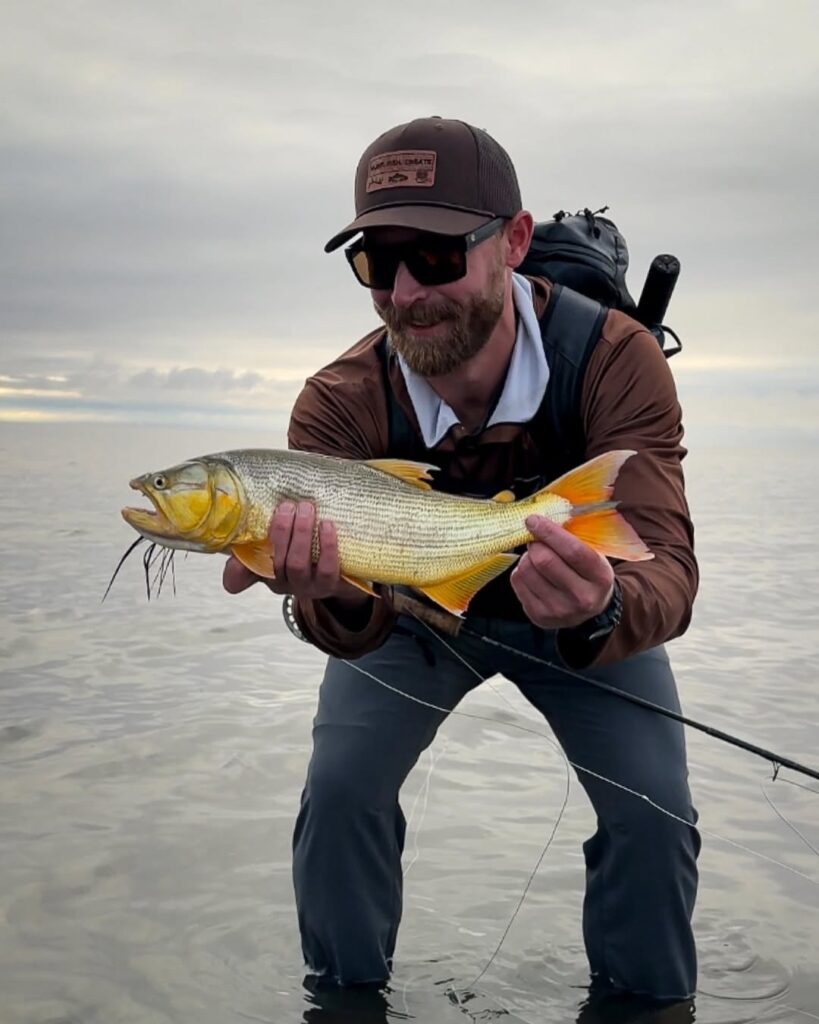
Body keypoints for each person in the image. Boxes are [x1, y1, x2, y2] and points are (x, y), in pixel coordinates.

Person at [223, 116, 701, 1010]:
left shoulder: (615, 360)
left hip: (578, 624)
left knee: (654, 815)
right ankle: (343, 1001)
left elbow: (666, 568)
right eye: (376, 261)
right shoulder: (336, 405)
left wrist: (599, 608)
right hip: (415, 617)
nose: (404, 293)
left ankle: (649, 1007)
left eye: (436, 257)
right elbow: (342, 628)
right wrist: (328, 599)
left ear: (513, 242)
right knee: (338, 797)